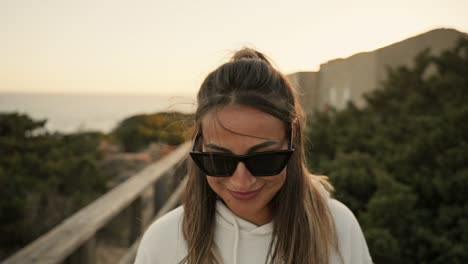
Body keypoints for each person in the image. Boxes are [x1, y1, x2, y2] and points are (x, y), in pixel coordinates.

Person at [134, 48, 373, 264]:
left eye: (264, 159)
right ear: (200, 146)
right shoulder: (163, 243)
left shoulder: (337, 227)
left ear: (293, 143)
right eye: (219, 160)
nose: (241, 181)